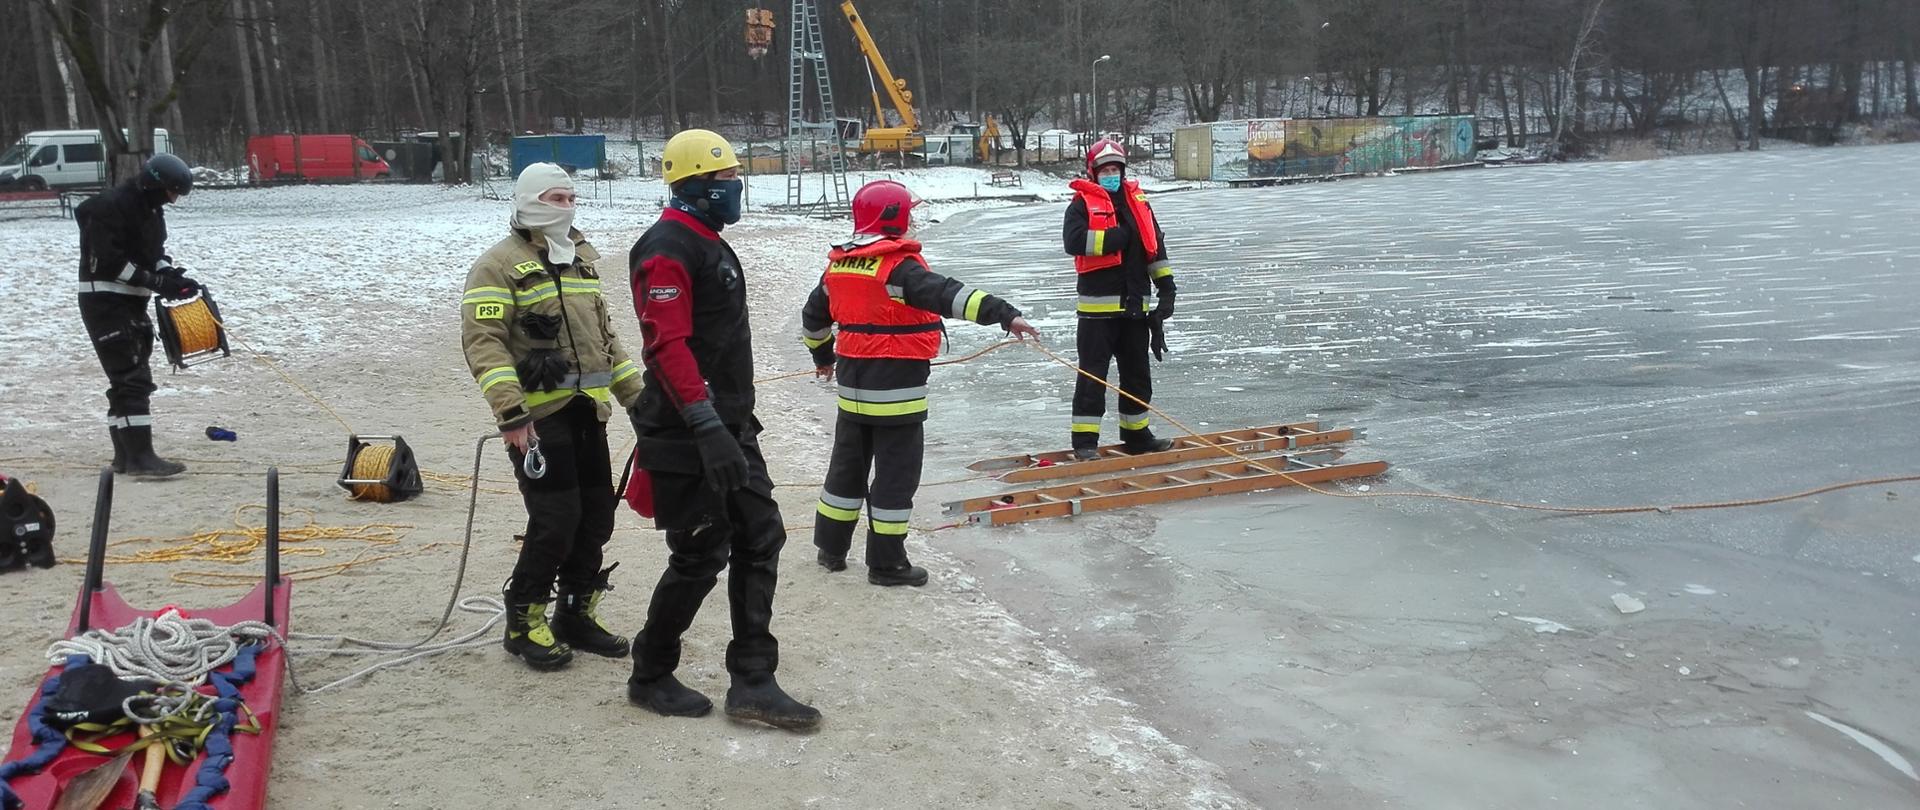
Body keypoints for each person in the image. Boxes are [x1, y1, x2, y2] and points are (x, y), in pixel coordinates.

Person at [622, 129, 819, 731]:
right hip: (690, 430)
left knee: (760, 535)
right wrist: (705, 426)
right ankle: (650, 672)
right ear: (692, 188)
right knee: (701, 550)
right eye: (723, 180)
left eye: (735, 177)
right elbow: (667, 345)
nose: (735, 188)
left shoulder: (705, 240)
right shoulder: (667, 248)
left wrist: (726, 423)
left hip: (729, 423)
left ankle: (754, 679)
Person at [799, 180, 1038, 587]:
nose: (912, 220)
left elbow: (813, 320)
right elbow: (952, 296)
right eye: (907, 213)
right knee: (896, 477)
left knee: (845, 471)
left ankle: (831, 550)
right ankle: (887, 565)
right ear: (892, 218)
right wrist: (1005, 314)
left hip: (853, 393)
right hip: (897, 395)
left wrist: (823, 358)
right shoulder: (898, 268)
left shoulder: (838, 267)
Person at [461, 162, 643, 671]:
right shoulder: (497, 266)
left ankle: (575, 614)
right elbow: (484, 343)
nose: (566, 207)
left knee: (597, 517)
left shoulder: (581, 262)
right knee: (555, 520)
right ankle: (523, 621)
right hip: (539, 420)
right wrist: (511, 414)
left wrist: (638, 399)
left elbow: (607, 340)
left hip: (588, 412)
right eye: (555, 199)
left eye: (570, 198)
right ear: (527, 203)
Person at [75, 153, 201, 478]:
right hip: (105, 303)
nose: (173, 200)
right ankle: (141, 457)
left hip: (130, 303)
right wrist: (157, 282)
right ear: (155, 185)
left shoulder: (151, 212)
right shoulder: (110, 209)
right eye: (172, 192)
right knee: (133, 378)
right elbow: (111, 264)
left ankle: (126, 458)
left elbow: (152, 255)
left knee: (124, 380)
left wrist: (173, 277)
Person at [1060, 138, 1178, 460]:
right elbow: (1073, 241)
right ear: (1094, 173)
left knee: (1137, 377)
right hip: (1097, 314)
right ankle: (1085, 444)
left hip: (1135, 310)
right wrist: (1118, 237)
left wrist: (1167, 290)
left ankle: (1137, 436)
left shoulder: (1139, 205)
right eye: (1105, 170)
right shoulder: (1081, 205)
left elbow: (1155, 250)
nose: (1111, 174)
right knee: (1092, 379)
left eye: (1116, 169)